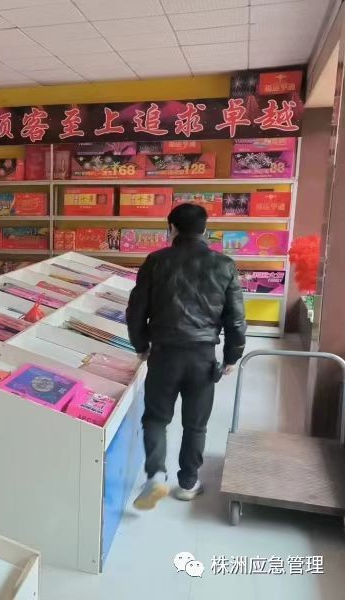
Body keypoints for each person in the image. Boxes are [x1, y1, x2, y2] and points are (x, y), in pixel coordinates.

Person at [126, 203, 246, 510]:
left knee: (156, 418)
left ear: (172, 229)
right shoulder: (224, 265)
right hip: (202, 357)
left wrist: (140, 345)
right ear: (205, 229)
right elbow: (236, 319)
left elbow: (136, 309)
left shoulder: (155, 261)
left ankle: (156, 475)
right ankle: (188, 484)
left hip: (164, 354)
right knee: (196, 424)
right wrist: (232, 356)